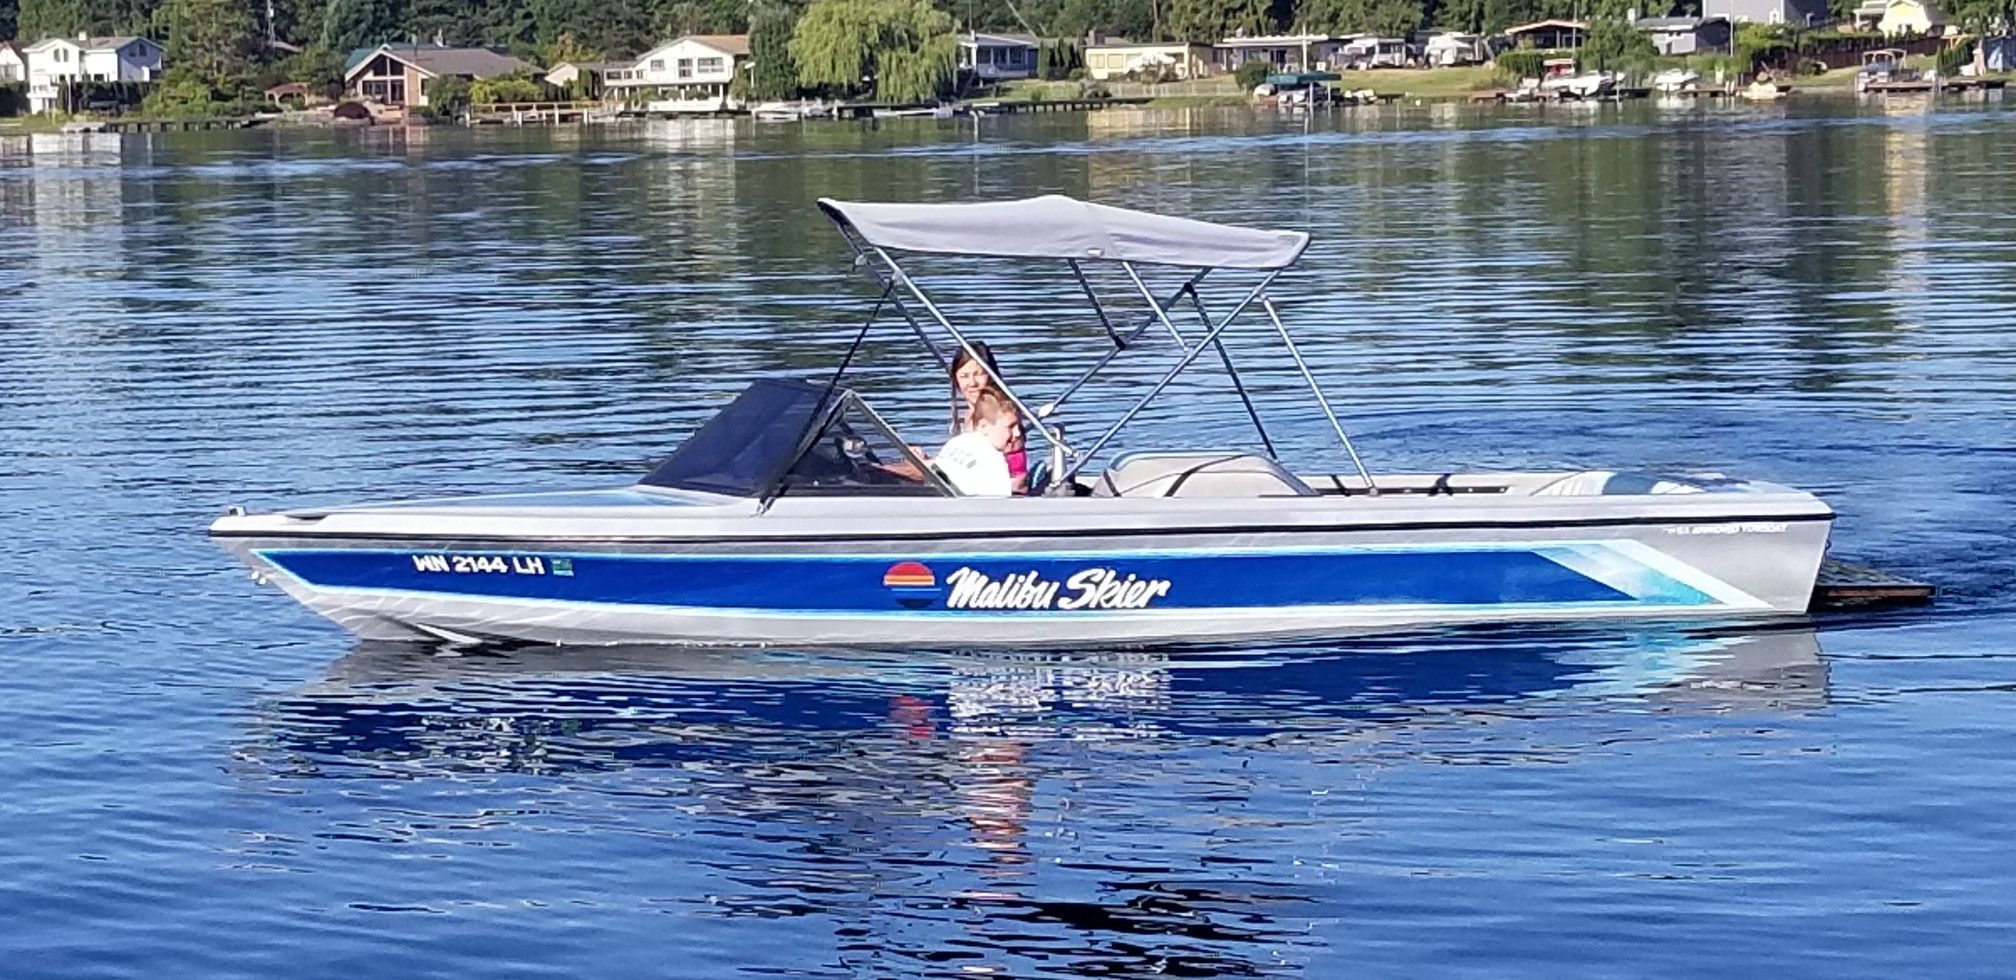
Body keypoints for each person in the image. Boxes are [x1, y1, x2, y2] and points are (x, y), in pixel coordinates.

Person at [949, 342, 1029, 494]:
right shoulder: (966, 416)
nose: (972, 383)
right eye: (964, 376)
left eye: (979, 374)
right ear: (956, 380)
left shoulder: (1004, 414)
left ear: (992, 376)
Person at [933, 389, 1020, 497]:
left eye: (1018, 426)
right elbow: (1003, 509)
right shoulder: (992, 461)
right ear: (983, 426)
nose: (1018, 433)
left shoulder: (955, 442)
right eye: (1010, 426)